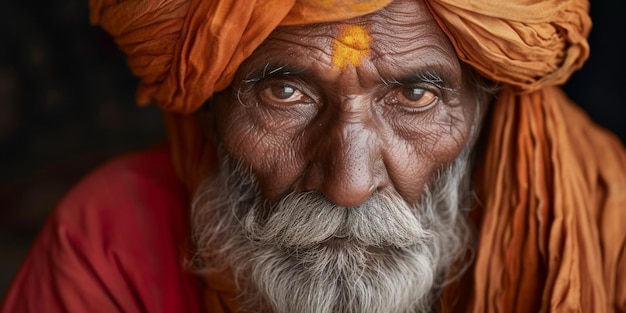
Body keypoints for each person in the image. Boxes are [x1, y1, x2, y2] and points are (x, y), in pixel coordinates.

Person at [2, 0, 625, 312]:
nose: (348, 184)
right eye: (284, 91)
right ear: (209, 107)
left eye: (414, 93)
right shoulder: (112, 236)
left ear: (490, 108)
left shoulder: (609, 229)